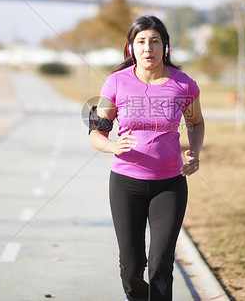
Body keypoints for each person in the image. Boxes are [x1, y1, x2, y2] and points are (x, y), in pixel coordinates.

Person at [88, 15, 205, 301]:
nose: (147, 48)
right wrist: (112, 145)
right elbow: (95, 132)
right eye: (141, 42)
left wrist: (195, 152)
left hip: (170, 185)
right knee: (131, 267)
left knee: (161, 265)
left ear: (165, 46)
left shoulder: (184, 85)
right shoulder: (116, 83)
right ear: (131, 48)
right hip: (126, 185)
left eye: (154, 41)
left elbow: (196, 123)